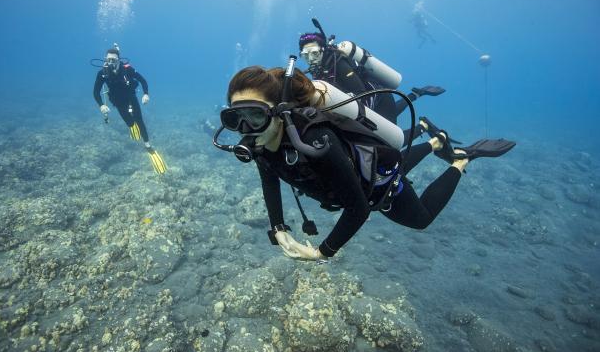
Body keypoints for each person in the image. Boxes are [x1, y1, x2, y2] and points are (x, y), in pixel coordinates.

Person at [217, 65, 515, 261]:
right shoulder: (262, 143)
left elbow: (358, 208)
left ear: (279, 112)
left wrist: (322, 252)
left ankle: (461, 160)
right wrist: (278, 227)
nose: (246, 129)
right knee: (394, 161)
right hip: (364, 167)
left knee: (420, 218)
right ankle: (436, 141)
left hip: (378, 187)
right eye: (235, 119)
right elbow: (269, 178)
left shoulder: (317, 141)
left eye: (254, 115)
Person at [298, 31, 444, 132]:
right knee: (384, 119)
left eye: (315, 53)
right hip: (367, 103)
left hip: (379, 98)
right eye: (305, 55)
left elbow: (360, 92)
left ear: (323, 50)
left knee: (388, 143)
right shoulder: (319, 70)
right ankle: (416, 94)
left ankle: (423, 126)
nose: (310, 59)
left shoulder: (338, 64)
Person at [93, 45, 167, 174]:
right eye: (108, 60)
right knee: (129, 122)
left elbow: (143, 80)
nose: (110, 63)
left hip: (130, 97)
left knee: (139, 120)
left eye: (113, 60)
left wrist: (145, 94)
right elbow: (95, 92)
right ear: (105, 59)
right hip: (117, 101)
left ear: (119, 60)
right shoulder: (102, 73)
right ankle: (132, 126)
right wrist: (101, 105)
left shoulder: (128, 69)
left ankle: (148, 146)